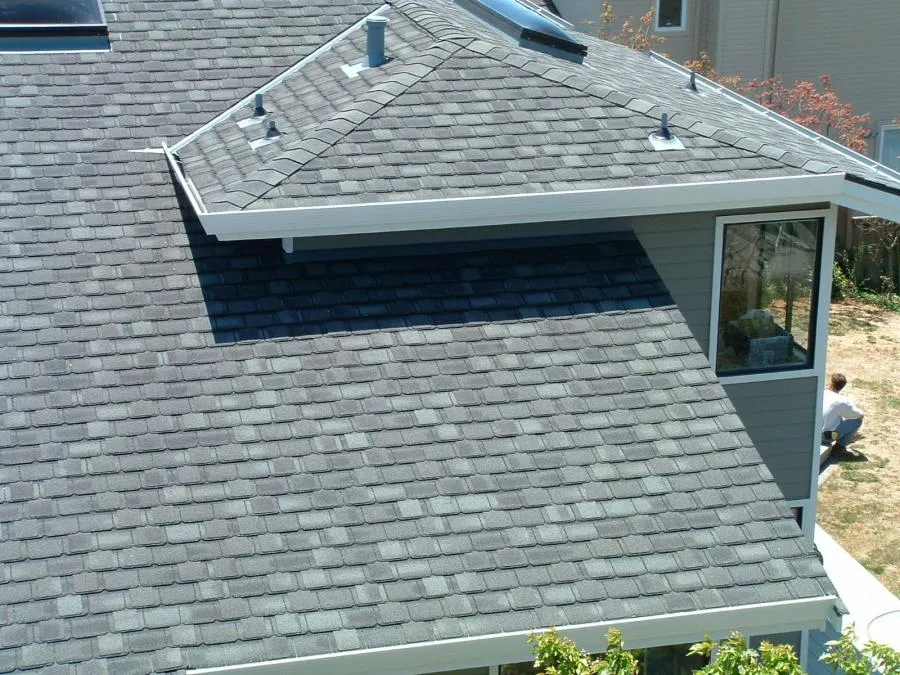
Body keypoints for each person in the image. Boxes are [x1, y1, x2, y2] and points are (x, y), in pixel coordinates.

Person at [822, 373, 864, 453]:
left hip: (812, 433)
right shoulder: (842, 401)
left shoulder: (821, 393)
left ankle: (850, 436)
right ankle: (839, 446)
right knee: (857, 420)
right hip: (825, 438)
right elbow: (860, 415)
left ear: (830, 383)